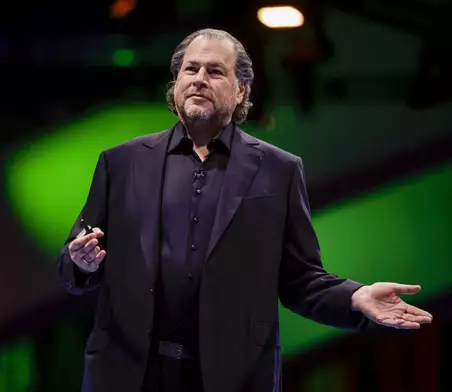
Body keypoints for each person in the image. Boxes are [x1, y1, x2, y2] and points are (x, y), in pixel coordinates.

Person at [57, 28, 433, 392]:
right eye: (190, 69)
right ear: (175, 84)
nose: (199, 79)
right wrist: (82, 263)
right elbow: (77, 256)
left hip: (232, 376)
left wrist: (355, 296)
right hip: (128, 373)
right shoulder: (122, 163)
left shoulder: (279, 170)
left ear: (241, 91)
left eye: (215, 71)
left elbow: (299, 278)